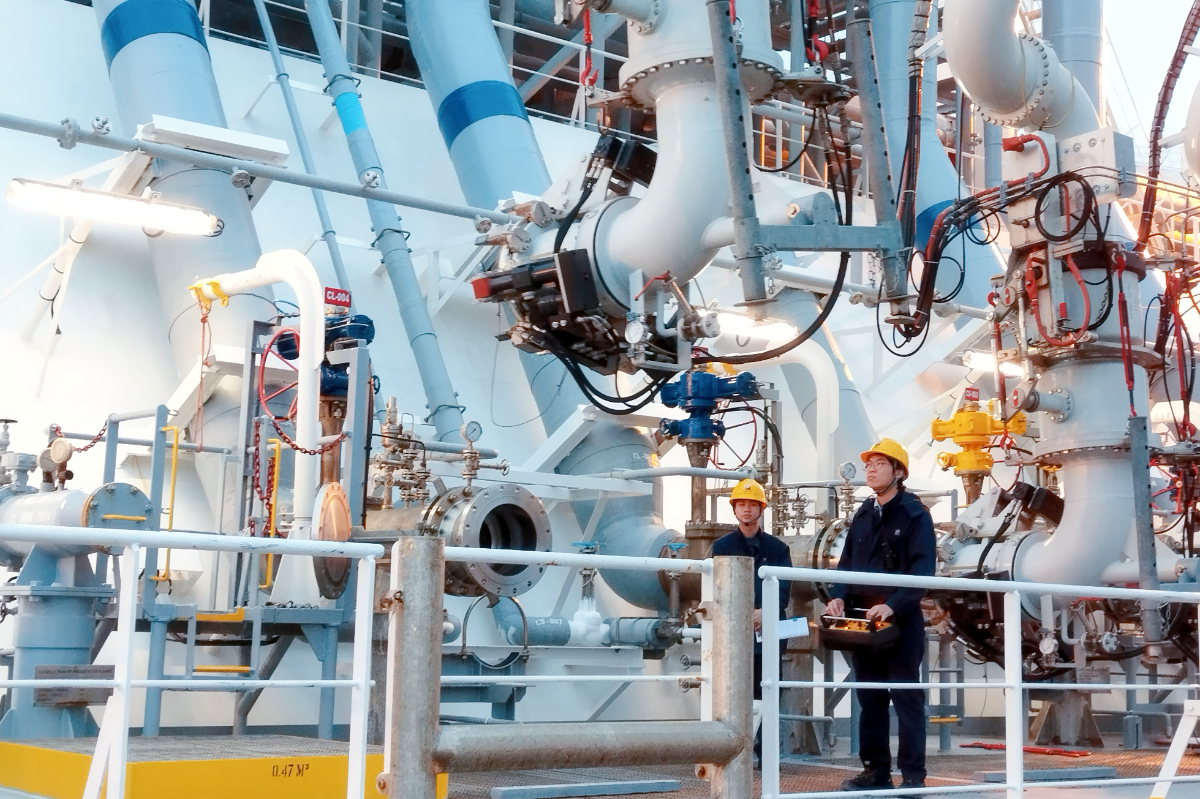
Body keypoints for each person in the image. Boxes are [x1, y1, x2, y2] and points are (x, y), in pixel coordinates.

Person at [825, 439, 935, 793]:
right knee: (870, 698)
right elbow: (846, 565)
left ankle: (913, 776)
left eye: (879, 464)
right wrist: (837, 597)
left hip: (900, 623)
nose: (870, 470)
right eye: (868, 464)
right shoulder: (863, 514)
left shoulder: (915, 515)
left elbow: (923, 572)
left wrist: (893, 605)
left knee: (906, 698)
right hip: (864, 622)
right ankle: (875, 772)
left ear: (898, 472)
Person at [710, 478, 791, 766]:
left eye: (752, 504)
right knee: (732, 694)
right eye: (741, 504)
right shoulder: (722, 547)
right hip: (732, 635)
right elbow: (717, 589)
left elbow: (783, 588)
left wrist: (764, 611)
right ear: (734, 509)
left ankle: (765, 754)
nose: (746, 509)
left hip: (766, 635)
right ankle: (732, 752)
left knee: (767, 692)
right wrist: (745, 613)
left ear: (761, 509)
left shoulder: (777, 548)